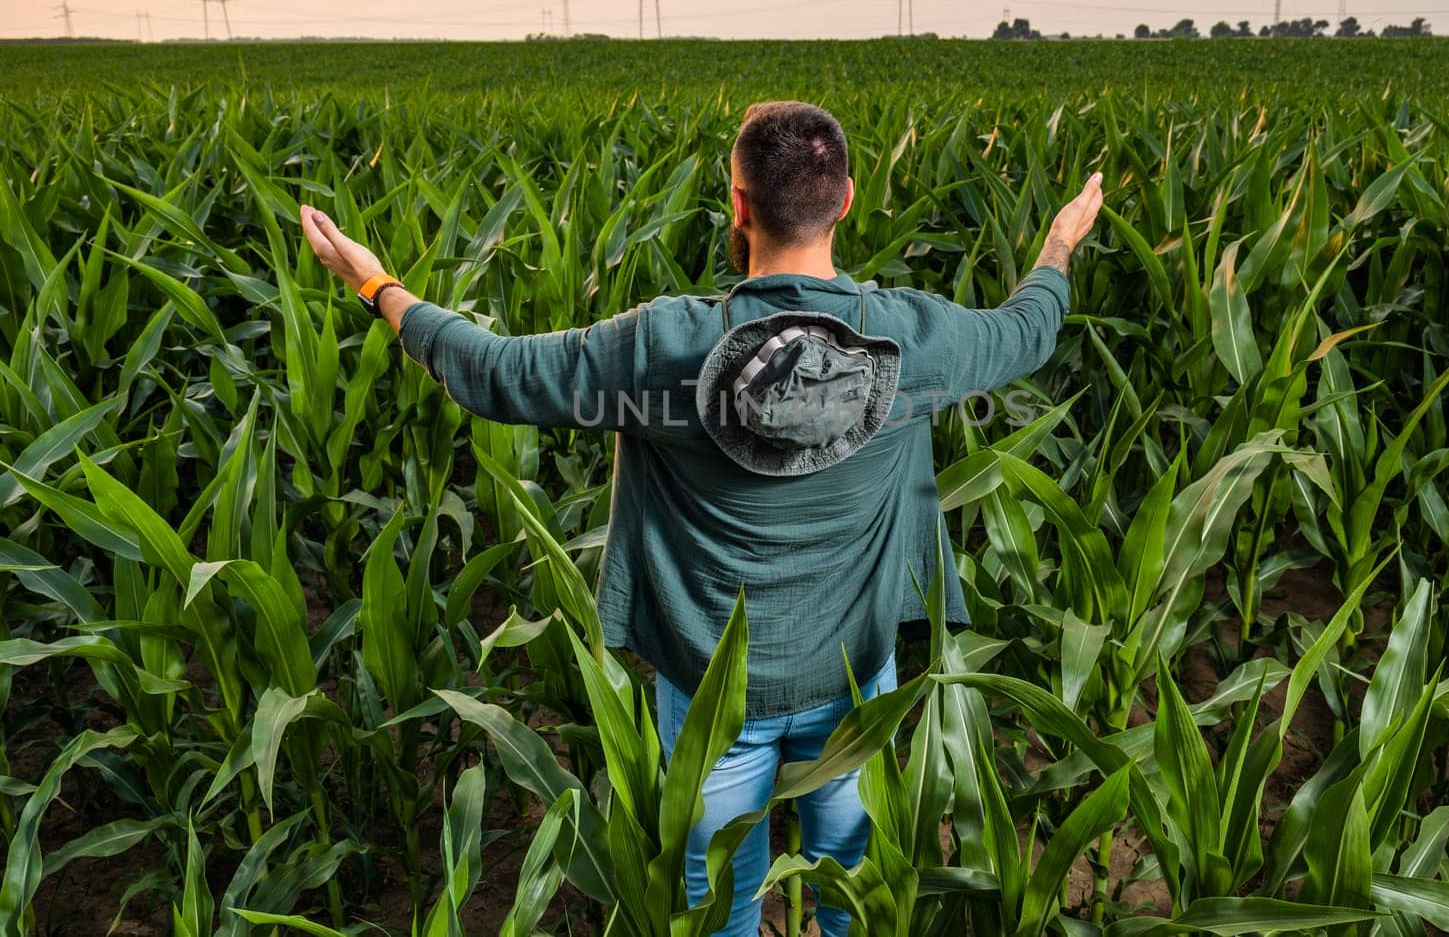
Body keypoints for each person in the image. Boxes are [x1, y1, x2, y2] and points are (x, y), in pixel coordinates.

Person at [298, 100, 1103, 936]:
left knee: (716, 906)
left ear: (740, 205)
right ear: (847, 201)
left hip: (714, 691)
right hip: (857, 687)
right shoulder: (910, 344)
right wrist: (1057, 244)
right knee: (852, 894)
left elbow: (493, 370)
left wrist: (376, 284)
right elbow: (1027, 328)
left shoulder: (663, 349)